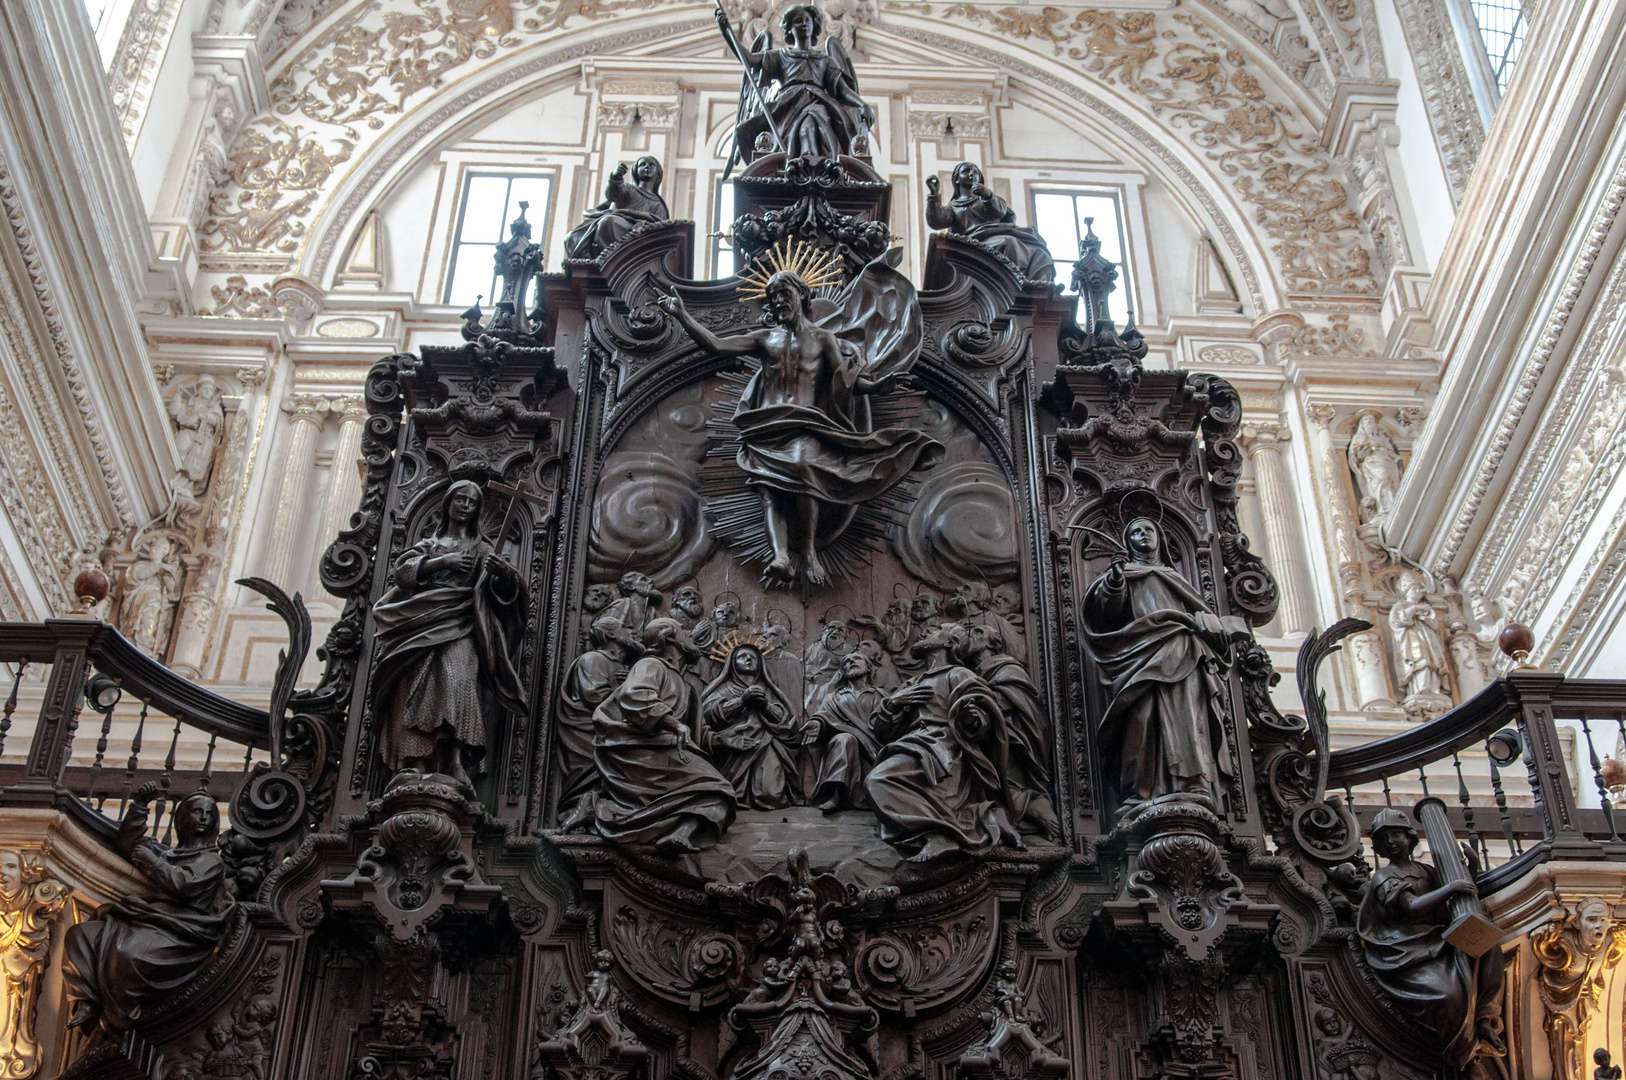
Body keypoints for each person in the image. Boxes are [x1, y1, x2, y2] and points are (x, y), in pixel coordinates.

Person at [659, 264, 942, 586]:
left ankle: (808, 552)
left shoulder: (822, 339)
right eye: (773, 296)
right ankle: (780, 556)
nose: (778, 301)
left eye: (784, 293)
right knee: (769, 492)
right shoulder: (765, 338)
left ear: (802, 295)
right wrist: (682, 316)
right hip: (764, 424)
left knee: (802, 464)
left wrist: (877, 387)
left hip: (806, 421)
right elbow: (716, 345)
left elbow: (845, 383)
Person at [370, 480, 528, 786]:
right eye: (461, 499)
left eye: (472, 502)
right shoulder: (430, 545)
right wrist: (442, 561)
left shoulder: (482, 549)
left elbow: (504, 595)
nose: (466, 505)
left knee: (460, 684)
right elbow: (402, 574)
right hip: (423, 622)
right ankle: (414, 761)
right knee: (419, 687)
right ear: (448, 504)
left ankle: (456, 760)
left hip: (463, 625)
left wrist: (503, 574)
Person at [1081, 517, 1245, 811]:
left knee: (1187, 719)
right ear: (1128, 541)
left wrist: (1214, 628)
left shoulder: (1173, 576)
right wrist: (1115, 582)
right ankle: (1142, 789)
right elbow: (1106, 614)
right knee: (1142, 719)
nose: (1142, 534)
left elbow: (1202, 615)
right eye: (1134, 531)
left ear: (1159, 537)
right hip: (1141, 654)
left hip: (1184, 652)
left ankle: (1194, 783)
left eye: (1148, 530)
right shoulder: (1123, 574)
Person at [63, 786, 232, 1032]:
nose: (204, 818)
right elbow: (128, 844)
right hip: (149, 919)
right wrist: (140, 805)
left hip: (181, 929)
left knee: (129, 953)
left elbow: (184, 886)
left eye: (210, 814)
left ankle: (122, 1017)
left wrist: (152, 862)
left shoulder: (210, 860)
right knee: (80, 934)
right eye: (197, 812)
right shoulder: (169, 853)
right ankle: (87, 999)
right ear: (183, 819)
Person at [1356, 808, 1507, 1080]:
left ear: (1410, 838)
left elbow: (1458, 894)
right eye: (1385, 837)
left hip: (1437, 940)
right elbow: (1412, 906)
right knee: (1447, 995)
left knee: (1487, 944)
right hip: (1405, 952)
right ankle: (1463, 1057)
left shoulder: (1425, 870)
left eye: (1397, 834)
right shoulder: (1383, 877)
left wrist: (1470, 866)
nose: (1391, 841)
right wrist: (1450, 888)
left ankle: (1484, 1017)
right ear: (1378, 847)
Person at [865, 624, 1022, 861]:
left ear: (949, 642)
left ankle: (940, 835)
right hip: (912, 746)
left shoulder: (958, 674)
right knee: (877, 781)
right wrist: (893, 703)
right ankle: (968, 822)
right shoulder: (912, 683)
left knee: (878, 780)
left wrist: (973, 717)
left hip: (944, 750)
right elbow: (883, 732)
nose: (926, 631)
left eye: (936, 629)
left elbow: (984, 713)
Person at [592, 618, 738, 854]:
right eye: (684, 631)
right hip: (642, 751)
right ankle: (598, 807)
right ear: (670, 636)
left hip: (668, 751)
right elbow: (634, 696)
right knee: (716, 789)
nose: (689, 635)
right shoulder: (650, 665)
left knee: (717, 793)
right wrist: (671, 723)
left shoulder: (687, 687)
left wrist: (722, 739)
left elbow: (697, 731)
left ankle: (678, 835)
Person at [720, 4, 873, 165]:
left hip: (817, 101)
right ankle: (807, 164)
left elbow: (843, 90)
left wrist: (862, 105)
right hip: (788, 105)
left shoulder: (825, 60)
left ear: (814, 25)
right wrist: (727, 33)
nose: (804, 24)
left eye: (808, 20)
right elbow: (749, 60)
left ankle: (813, 164)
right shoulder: (781, 56)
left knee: (816, 123)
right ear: (790, 28)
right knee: (803, 127)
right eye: (798, 21)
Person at [961, 624, 1056, 838]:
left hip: (1014, 737)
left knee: (1011, 784)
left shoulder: (1008, 669)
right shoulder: (970, 674)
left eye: (977, 632)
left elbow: (1018, 701)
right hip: (987, 738)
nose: (971, 635)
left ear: (992, 643)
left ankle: (1037, 811)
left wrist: (986, 706)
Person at [700, 643, 811, 810]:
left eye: (753, 657)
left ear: (760, 663)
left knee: (769, 795)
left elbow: (786, 719)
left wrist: (766, 705)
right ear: (732, 663)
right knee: (728, 792)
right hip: (733, 745)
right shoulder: (723, 688)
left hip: (766, 743)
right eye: (742, 657)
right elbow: (708, 716)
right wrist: (740, 701)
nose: (748, 659)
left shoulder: (768, 689)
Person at [556, 616, 641, 831]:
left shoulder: (620, 666)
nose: (629, 631)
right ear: (611, 634)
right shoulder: (593, 659)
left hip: (610, 733)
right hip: (589, 735)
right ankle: (580, 815)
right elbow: (596, 697)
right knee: (590, 780)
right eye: (624, 627)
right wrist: (626, 689)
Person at [926, 163, 1055, 282]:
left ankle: (1035, 287)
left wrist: (987, 195)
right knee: (1008, 243)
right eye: (966, 171)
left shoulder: (987, 198)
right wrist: (934, 195)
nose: (971, 174)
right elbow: (937, 221)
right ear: (957, 179)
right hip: (974, 243)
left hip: (995, 234)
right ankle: (1014, 283)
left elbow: (1000, 212)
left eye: (975, 172)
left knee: (1040, 254)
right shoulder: (953, 206)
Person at [809, 650, 883, 811]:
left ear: (869, 668)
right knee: (845, 739)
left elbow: (887, 727)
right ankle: (836, 793)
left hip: (871, 749)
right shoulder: (834, 697)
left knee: (847, 739)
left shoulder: (879, 696)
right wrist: (816, 722)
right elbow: (822, 715)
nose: (851, 662)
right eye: (846, 662)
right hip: (842, 746)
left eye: (857, 659)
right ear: (842, 672)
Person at [564, 156, 669, 260]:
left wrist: (644, 225)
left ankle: (613, 259)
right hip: (620, 225)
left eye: (651, 165)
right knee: (573, 237)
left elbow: (658, 230)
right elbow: (614, 194)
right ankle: (603, 260)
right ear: (635, 171)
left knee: (608, 222)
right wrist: (616, 178)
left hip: (636, 232)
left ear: (658, 175)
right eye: (642, 164)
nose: (647, 167)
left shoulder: (658, 204)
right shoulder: (629, 189)